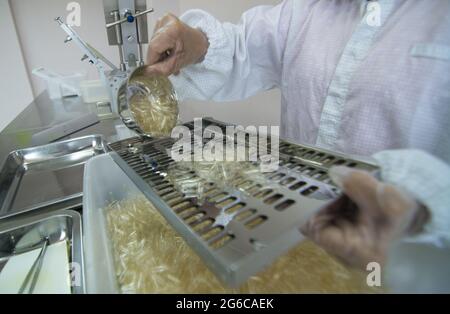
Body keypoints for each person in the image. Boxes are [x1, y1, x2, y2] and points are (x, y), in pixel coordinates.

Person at [145, 0, 450, 280]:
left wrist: (423, 204)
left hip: (406, 265)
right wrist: (196, 43)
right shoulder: (309, 10)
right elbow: (244, 50)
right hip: (293, 234)